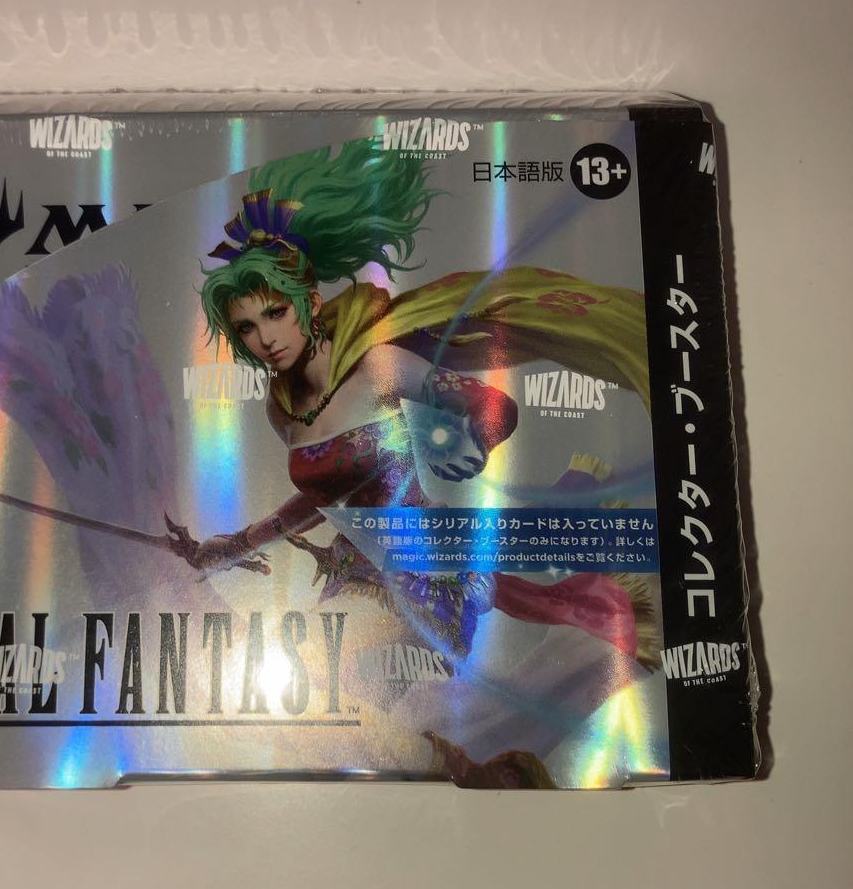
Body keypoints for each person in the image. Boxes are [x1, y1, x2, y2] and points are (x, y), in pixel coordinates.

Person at [190, 139, 654, 666]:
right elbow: (321, 499)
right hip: (357, 575)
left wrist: (472, 441)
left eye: (275, 313)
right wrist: (237, 545)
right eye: (246, 327)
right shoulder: (281, 409)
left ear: (310, 303)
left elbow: (495, 407)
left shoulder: (376, 366)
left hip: (429, 572)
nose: (265, 338)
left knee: (366, 679)